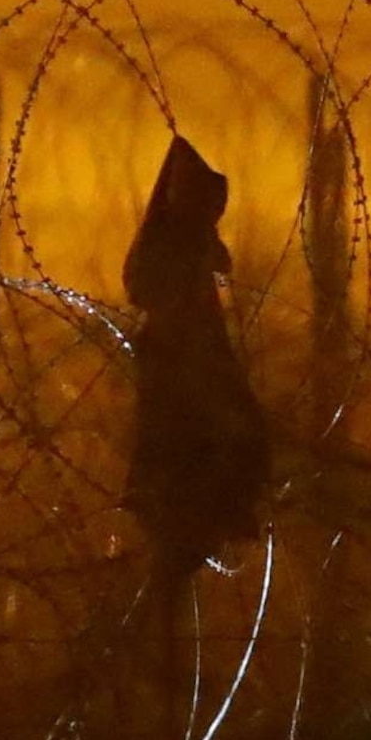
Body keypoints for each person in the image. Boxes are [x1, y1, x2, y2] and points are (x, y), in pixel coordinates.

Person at [121, 135, 269, 581]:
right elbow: (150, 287)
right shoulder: (171, 251)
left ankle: (201, 526)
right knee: (211, 447)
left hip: (189, 372)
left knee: (233, 440)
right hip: (180, 376)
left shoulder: (184, 245)